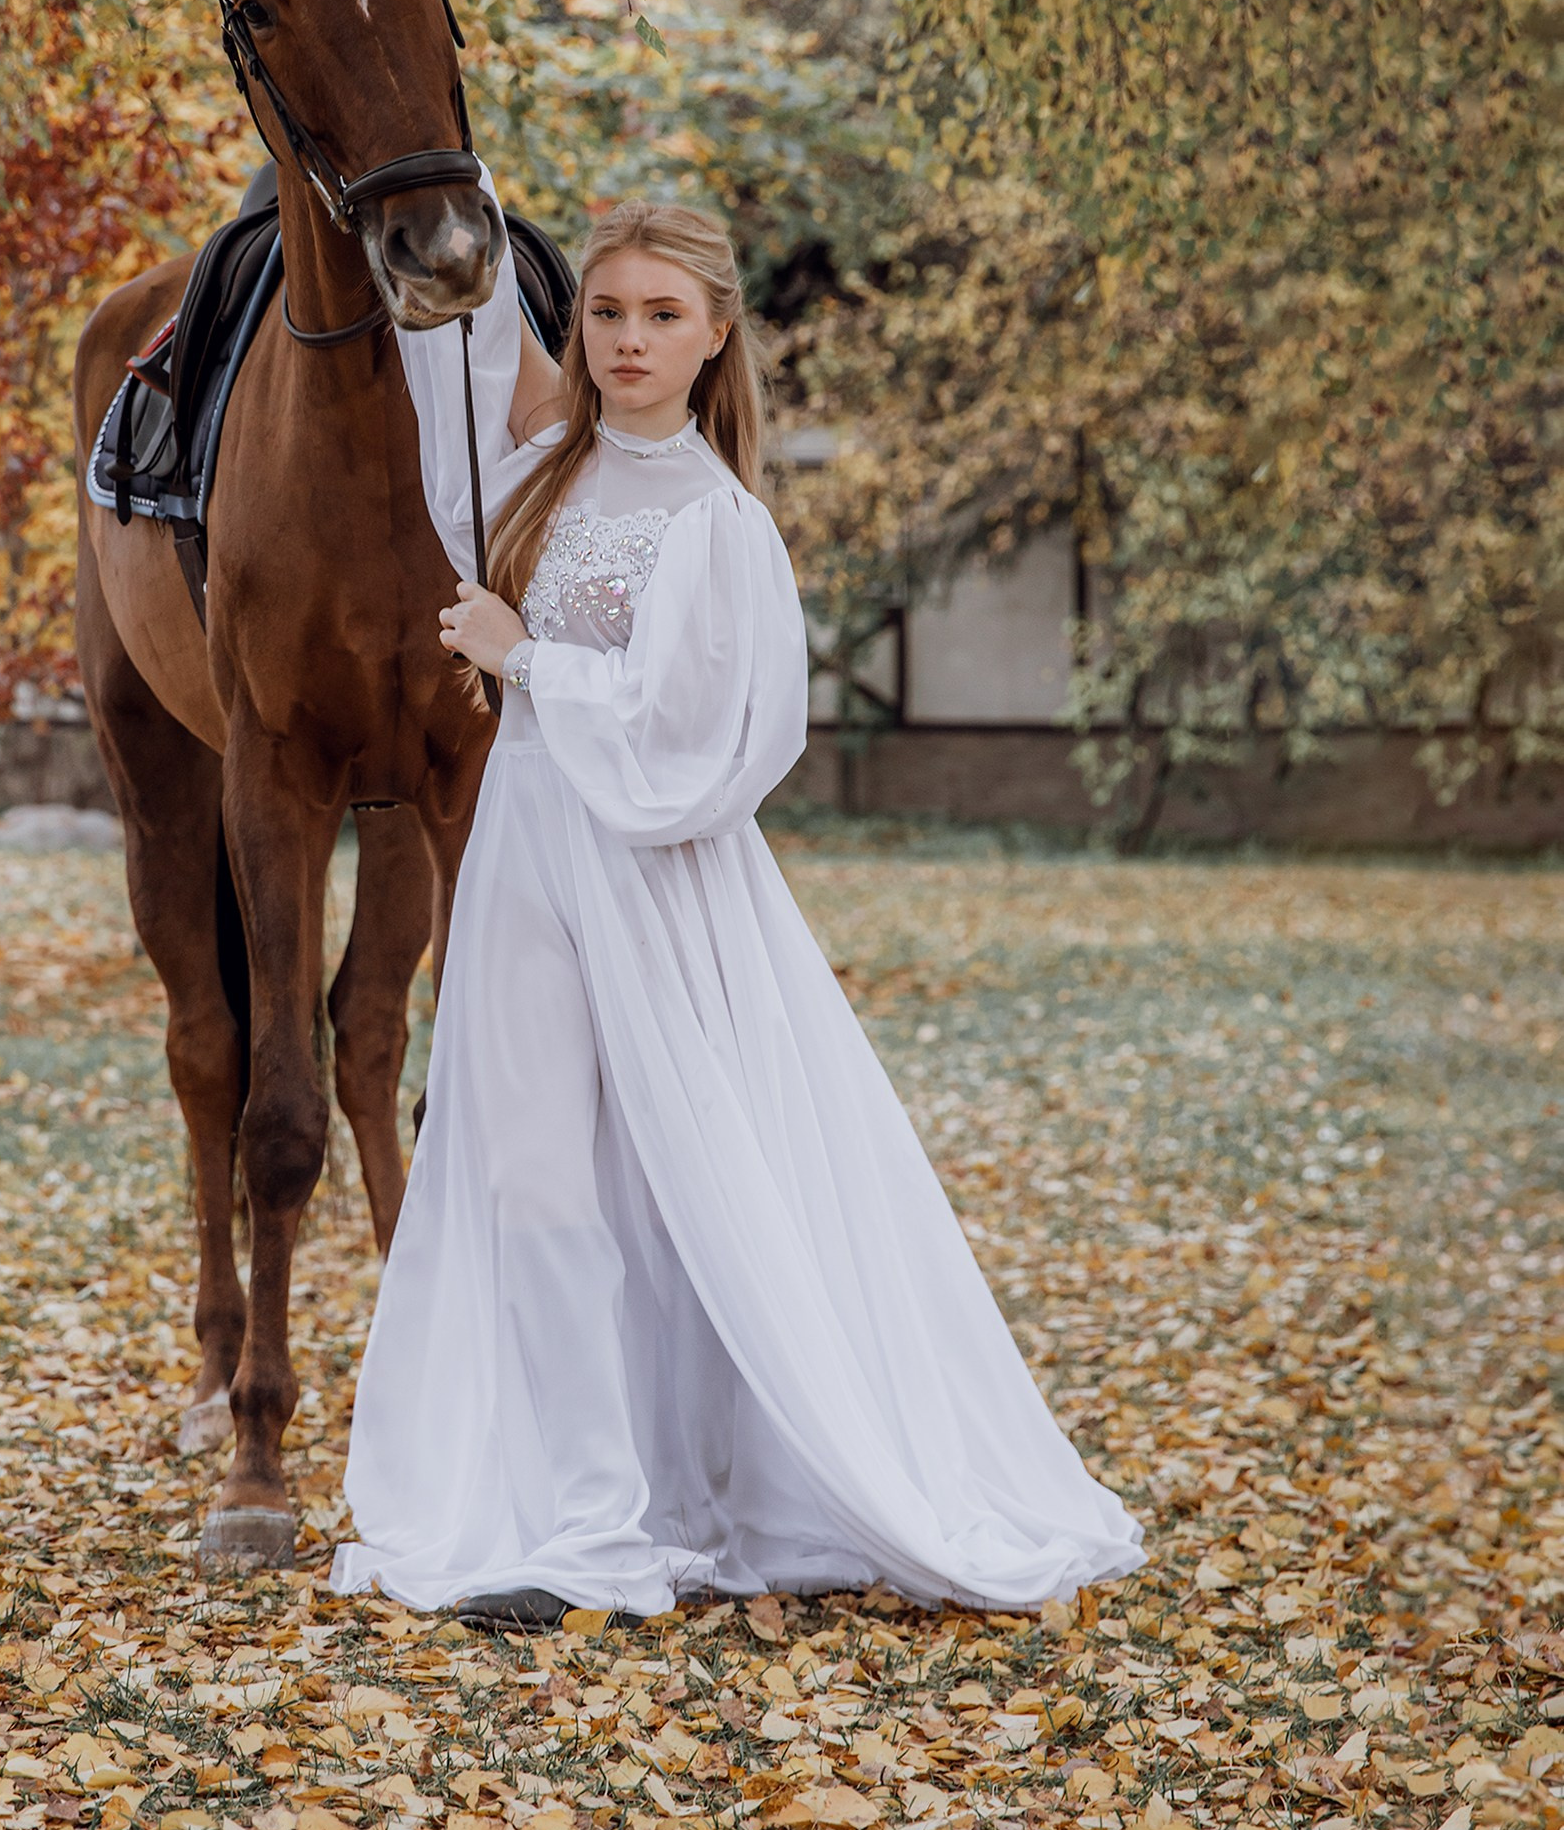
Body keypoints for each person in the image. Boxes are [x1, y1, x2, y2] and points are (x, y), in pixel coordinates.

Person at [336, 197, 1143, 1622]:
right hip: (526, 857)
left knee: (677, 1186)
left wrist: (529, 662)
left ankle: (697, 1488)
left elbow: (706, 744)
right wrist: (439, 209)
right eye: (605, 312)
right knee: (528, 1173)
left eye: (661, 316)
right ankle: (581, 1522)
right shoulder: (536, 477)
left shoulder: (720, 525)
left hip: (655, 879)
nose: (629, 339)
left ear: (715, 338)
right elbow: (453, 372)